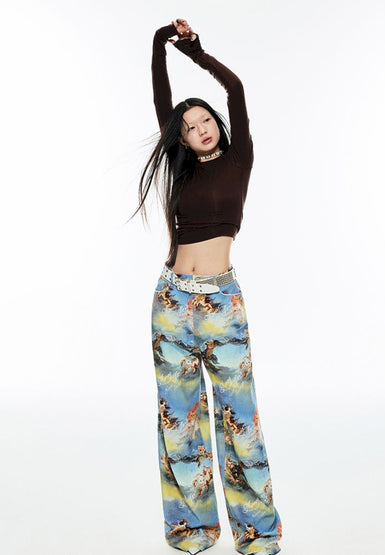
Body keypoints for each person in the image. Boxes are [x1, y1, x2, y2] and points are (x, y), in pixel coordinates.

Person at [131, 18, 283, 555]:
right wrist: (159, 43)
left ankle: (257, 534)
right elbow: (162, 101)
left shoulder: (239, 160)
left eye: (206, 119)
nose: (201, 128)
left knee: (240, 420)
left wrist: (196, 53)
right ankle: (192, 531)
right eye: (190, 125)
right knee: (179, 422)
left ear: (218, 123)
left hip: (222, 303)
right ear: (181, 137)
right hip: (172, 302)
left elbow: (235, 88)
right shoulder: (181, 169)